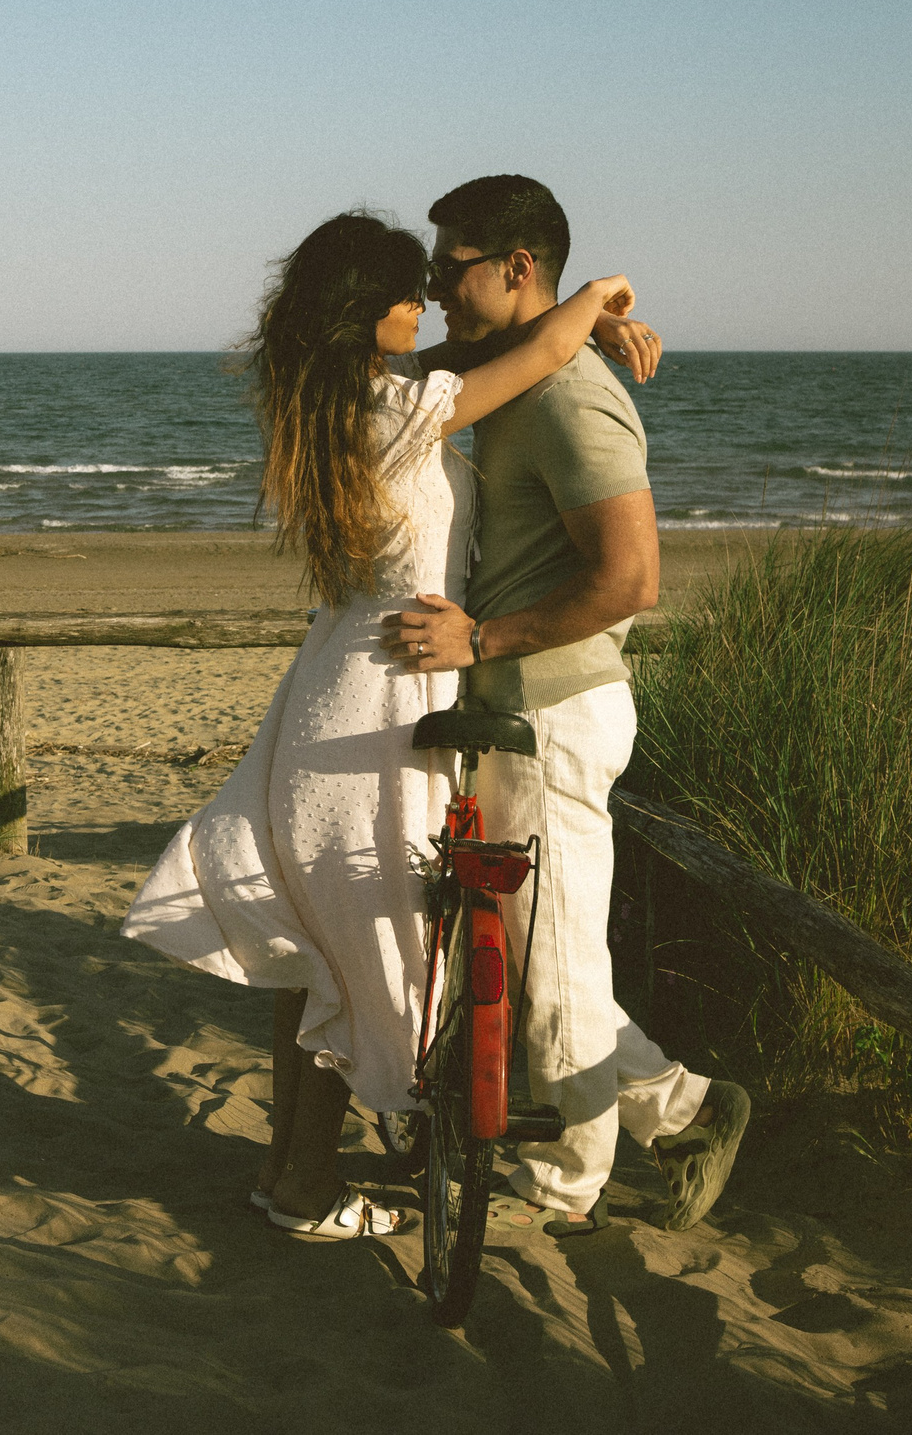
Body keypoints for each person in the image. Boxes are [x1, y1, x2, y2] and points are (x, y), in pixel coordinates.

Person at [120, 209, 651, 1241]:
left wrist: (575, 324)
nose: (429, 306)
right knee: (360, 958)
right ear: (373, 315)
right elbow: (530, 346)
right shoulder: (406, 407)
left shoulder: (342, 393)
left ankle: (289, 1178)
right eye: (414, 292)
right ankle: (308, 1194)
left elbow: (476, 349)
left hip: (332, 686)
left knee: (316, 958)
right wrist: (601, 300)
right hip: (383, 703)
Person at [383, 174, 748, 1238]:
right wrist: (591, 306)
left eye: (450, 266)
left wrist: (480, 637)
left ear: (515, 267)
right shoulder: (520, 372)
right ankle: (681, 1105)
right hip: (514, 711)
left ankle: (568, 1187)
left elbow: (631, 580)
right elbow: (426, 366)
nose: (435, 285)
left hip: (553, 710)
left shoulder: (571, 396)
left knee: (550, 969)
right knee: (546, 956)